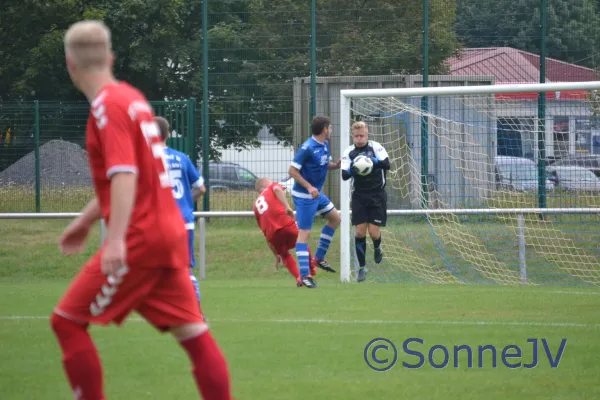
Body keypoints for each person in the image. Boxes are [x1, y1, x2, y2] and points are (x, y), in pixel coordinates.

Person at [51, 20, 232, 400]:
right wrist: (85, 223)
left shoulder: (106, 107)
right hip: (170, 234)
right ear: (111, 58)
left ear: (70, 64)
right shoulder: (133, 98)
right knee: (194, 335)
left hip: (140, 237)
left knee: (66, 322)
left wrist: (114, 241)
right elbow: (135, 175)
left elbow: (125, 174)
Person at [155, 116, 206, 305]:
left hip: (159, 220)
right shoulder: (181, 158)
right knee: (185, 267)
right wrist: (185, 201)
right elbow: (201, 188)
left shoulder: (144, 159)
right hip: (184, 218)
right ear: (168, 134)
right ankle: (195, 311)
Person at [288, 115, 341, 288]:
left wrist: (336, 166)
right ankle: (304, 275)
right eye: (330, 128)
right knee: (304, 234)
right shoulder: (307, 148)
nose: (331, 131)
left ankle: (318, 258)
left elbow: (324, 164)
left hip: (316, 195)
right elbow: (292, 171)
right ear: (325, 129)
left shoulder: (324, 145)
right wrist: (309, 187)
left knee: (335, 218)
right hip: (305, 197)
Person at [341, 121, 391, 282]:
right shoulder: (349, 152)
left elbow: (387, 164)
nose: (359, 139)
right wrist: (351, 170)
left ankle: (378, 246)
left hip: (377, 195)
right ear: (352, 136)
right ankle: (361, 268)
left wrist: (374, 162)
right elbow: (344, 175)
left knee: (374, 233)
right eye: (356, 136)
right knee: (360, 232)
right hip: (359, 196)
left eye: (362, 135)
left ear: (367, 135)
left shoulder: (375, 147)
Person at [253, 177, 317, 287]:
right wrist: (287, 207)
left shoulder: (255, 206)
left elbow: (265, 234)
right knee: (302, 240)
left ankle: (298, 278)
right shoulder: (271, 187)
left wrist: (275, 255)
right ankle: (311, 267)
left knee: (284, 255)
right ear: (265, 185)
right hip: (285, 223)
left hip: (272, 235)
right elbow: (277, 189)